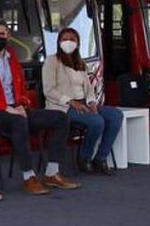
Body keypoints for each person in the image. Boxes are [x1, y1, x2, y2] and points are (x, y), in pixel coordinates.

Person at [0, 20, 80, 195]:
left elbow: (21, 88)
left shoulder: (12, 58)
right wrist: (5, 107)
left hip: (16, 109)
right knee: (19, 121)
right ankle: (28, 177)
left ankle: (52, 173)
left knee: (61, 118)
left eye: (2, 34)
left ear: (8, 36)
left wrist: (22, 104)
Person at [42, 27, 123, 176]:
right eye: (64, 39)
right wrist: (71, 102)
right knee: (97, 122)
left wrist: (92, 101)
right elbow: (48, 90)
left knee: (116, 115)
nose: (68, 42)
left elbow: (89, 88)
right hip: (61, 107)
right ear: (59, 42)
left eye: (72, 39)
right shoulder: (52, 61)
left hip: (83, 101)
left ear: (78, 43)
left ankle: (100, 158)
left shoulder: (80, 63)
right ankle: (84, 158)